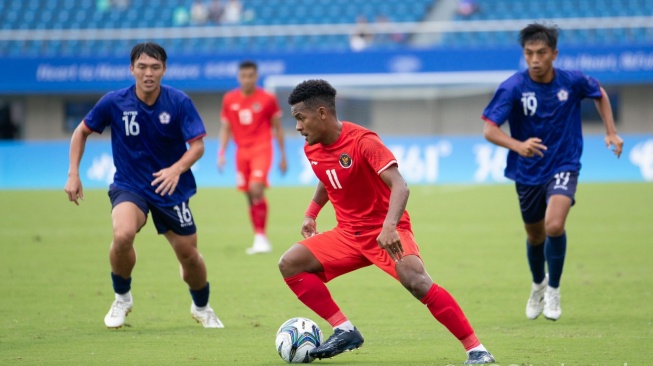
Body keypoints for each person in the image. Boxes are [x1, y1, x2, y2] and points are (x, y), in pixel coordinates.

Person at [278, 79, 495, 364]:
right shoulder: (312, 148)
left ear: (321, 113)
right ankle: (344, 329)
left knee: (416, 281)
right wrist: (311, 212)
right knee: (290, 263)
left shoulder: (363, 141)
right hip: (346, 234)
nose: (297, 127)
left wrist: (390, 226)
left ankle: (477, 350)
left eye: (300, 118)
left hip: (386, 231)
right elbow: (326, 177)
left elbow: (400, 185)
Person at [64, 42, 224, 329]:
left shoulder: (178, 102)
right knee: (122, 234)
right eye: (142, 67)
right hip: (130, 185)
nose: (148, 73)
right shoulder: (114, 102)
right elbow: (81, 131)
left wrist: (176, 169)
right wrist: (73, 173)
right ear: (131, 69)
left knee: (189, 256)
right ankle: (122, 297)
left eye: (154, 67)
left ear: (164, 70)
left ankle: (202, 306)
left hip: (170, 189)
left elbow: (197, 146)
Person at [481, 23, 624, 321]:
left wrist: (611, 132)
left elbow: (599, 93)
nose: (535, 59)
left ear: (554, 54)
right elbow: (489, 130)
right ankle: (538, 284)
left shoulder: (571, 81)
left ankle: (554, 290)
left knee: (554, 226)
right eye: (529, 53)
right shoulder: (513, 86)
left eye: (541, 53)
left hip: (564, 163)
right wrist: (518, 145)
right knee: (535, 237)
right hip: (527, 170)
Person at [217, 60, 287, 255]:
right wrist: (221, 153)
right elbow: (226, 128)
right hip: (241, 152)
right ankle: (259, 236)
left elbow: (278, 128)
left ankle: (261, 238)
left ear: (256, 77)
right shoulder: (229, 99)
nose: (247, 79)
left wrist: (283, 155)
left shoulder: (267, 98)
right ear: (239, 77)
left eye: (251, 76)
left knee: (257, 188)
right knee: (249, 194)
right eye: (243, 76)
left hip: (262, 148)